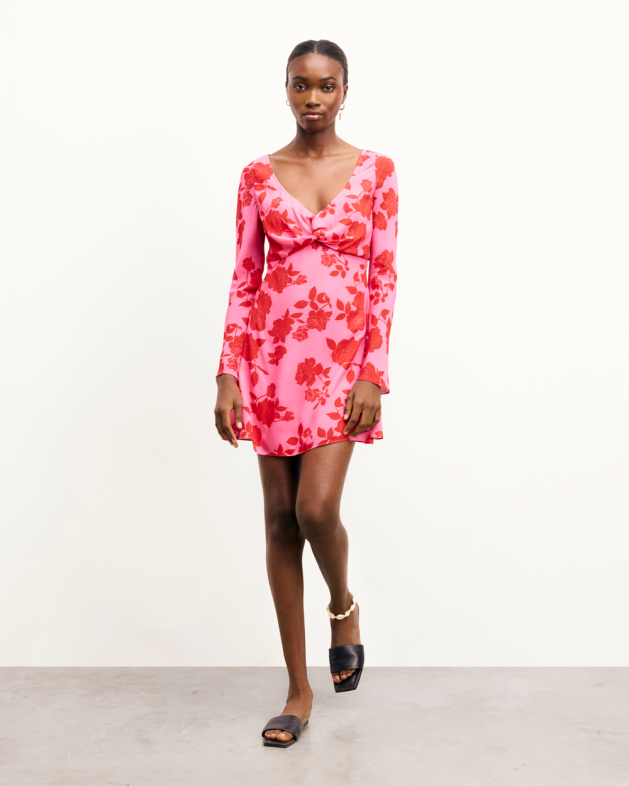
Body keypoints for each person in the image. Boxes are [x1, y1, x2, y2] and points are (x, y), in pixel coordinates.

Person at [214, 39, 399, 748]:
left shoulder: (377, 171)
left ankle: (342, 607)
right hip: (270, 360)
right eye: (301, 85)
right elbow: (244, 278)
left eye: (326, 85)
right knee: (278, 521)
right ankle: (298, 689)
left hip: (341, 364)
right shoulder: (258, 175)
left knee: (315, 508)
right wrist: (228, 372)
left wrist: (373, 372)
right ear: (286, 89)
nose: (313, 98)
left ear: (345, 90)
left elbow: (383, 276)